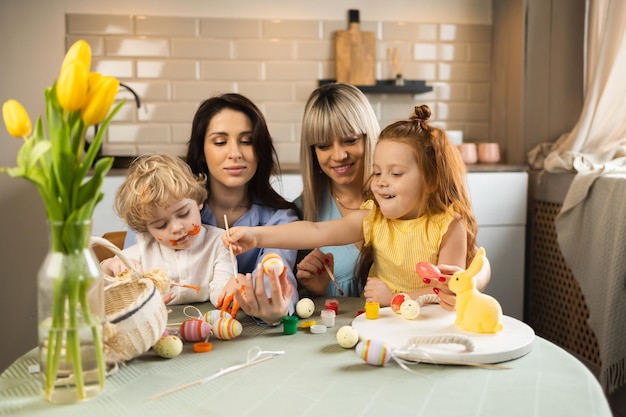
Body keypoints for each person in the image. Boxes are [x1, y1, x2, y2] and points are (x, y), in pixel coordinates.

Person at [223, 105, 490, 310]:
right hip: (382, 322)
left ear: (430, 180)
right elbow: (317, 232)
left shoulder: (448, 227)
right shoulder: (374, 218)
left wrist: (394, 298)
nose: (382, 183)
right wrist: (256, 236)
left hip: (427, 326)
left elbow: (446, 293)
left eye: (395, 174)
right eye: (377, 172)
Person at [124, 93, 301, 324]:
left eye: (247, 141)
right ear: (201, 151)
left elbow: (276, 281)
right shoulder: (154, 211)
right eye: (220, 142)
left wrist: (273, 306)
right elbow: (128, 286)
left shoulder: (280, 220)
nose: (235, 153)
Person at [100, 153, 233, 307]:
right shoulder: (144, 250)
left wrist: (232, 293)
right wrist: (109, 267)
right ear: (147, 228)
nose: (177, 228)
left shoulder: (219, 243)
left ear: (198, 201)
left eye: (183, 214)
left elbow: (222, 291)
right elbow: (101, 287)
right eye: (160, 225)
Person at [294, 83, 380, 297]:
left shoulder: (399, 197)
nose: (339, 155)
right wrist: (313, 290)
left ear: (368, 137)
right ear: (312, 151)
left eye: (350, 140)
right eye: (323, 145)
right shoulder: (301, 212)